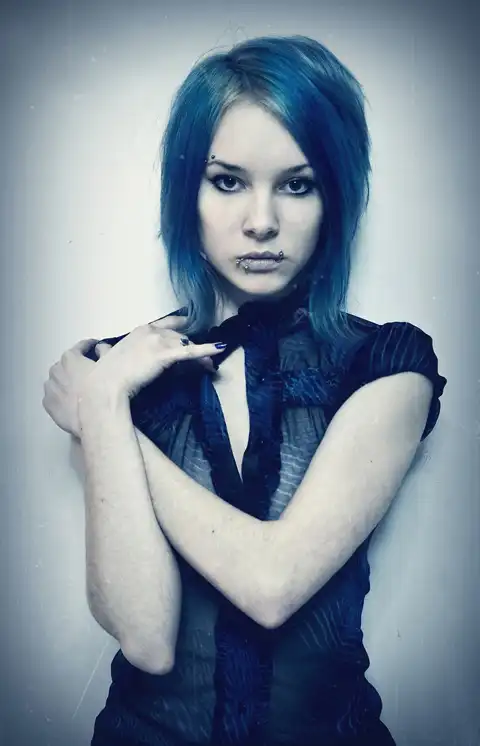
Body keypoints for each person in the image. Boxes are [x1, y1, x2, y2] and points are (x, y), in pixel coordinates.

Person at [42, 35, 447, 746]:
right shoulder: (119, 373)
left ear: (335, 198)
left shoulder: (386, 362)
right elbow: (146, 639)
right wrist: (106, 403)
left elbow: (271, 585)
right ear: (186, 195)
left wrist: (103, 414)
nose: (261, 222)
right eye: (228, 181)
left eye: (297, 184)